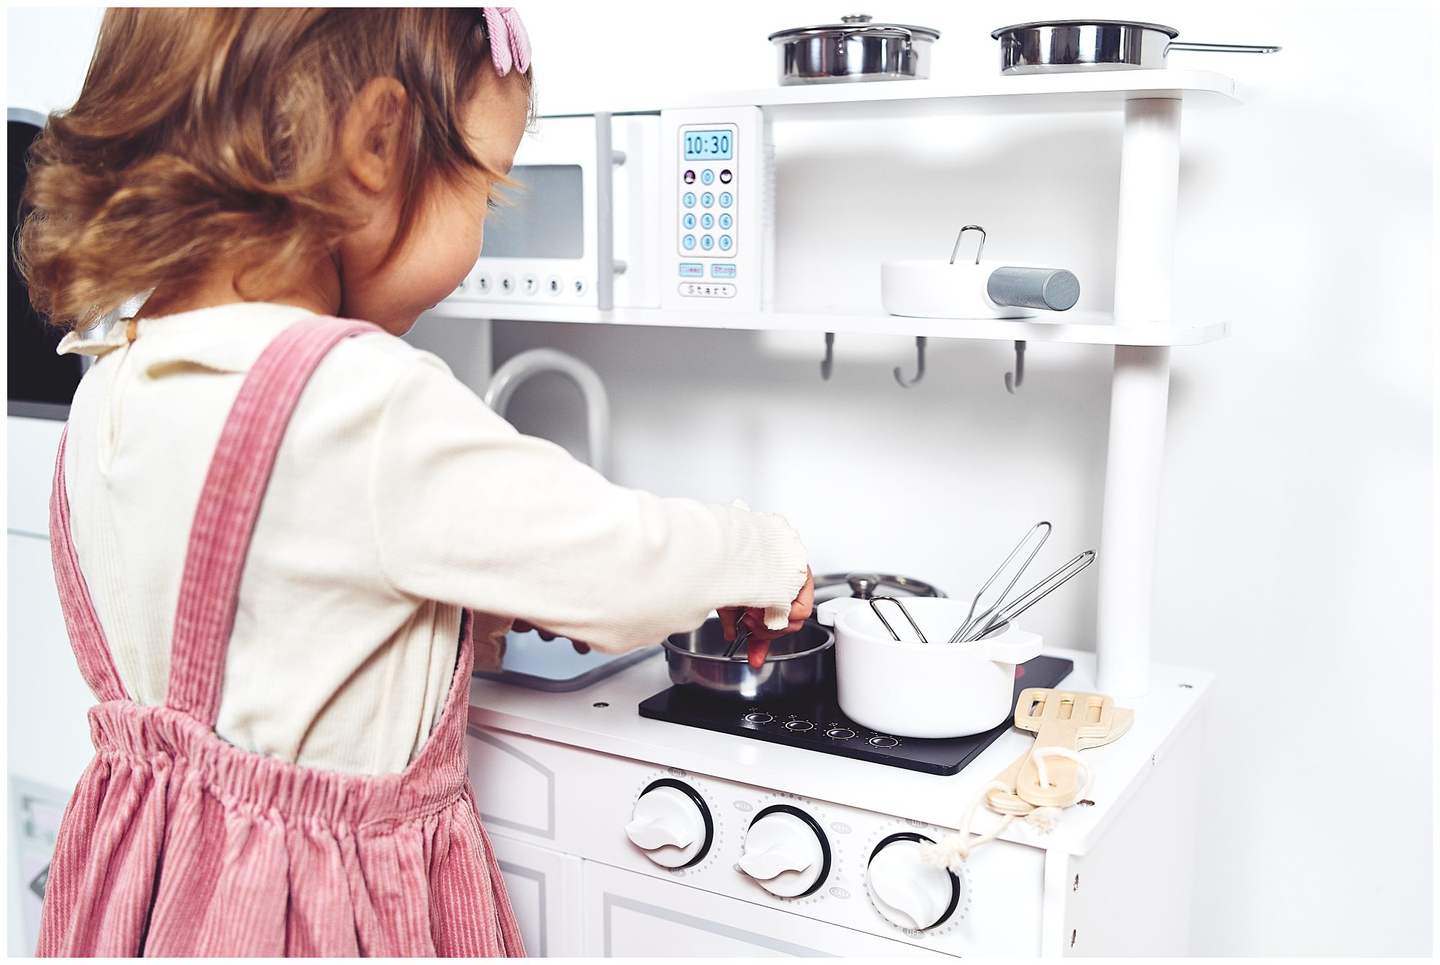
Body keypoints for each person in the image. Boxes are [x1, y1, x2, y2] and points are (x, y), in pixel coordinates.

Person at [18, 8, 813, 957]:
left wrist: (476, 613)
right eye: (486, 187)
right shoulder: (358, 398)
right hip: (319, 908)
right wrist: (765, 552)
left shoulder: (113, 377)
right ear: (377, 145)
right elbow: (621, 566)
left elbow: (274, 609)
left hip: (148, 885)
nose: (481, 227)